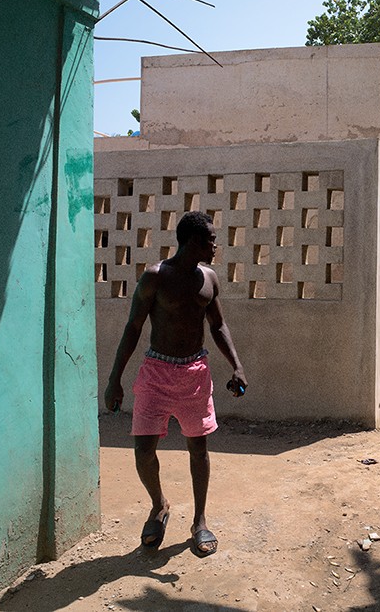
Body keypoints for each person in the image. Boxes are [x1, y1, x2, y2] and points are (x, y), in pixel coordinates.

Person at [104, 210, 247, 556]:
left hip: (195, 375)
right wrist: (114, 380)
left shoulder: (209, 279)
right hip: (156, 373)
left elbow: (217, 326)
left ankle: (199, 520)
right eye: (211, 239)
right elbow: (133, 328)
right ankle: (159, 505)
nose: (216, 244)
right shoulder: (155, 277)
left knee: (198, 450)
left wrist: (237, 366)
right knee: (143, 451)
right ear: (194, 241)